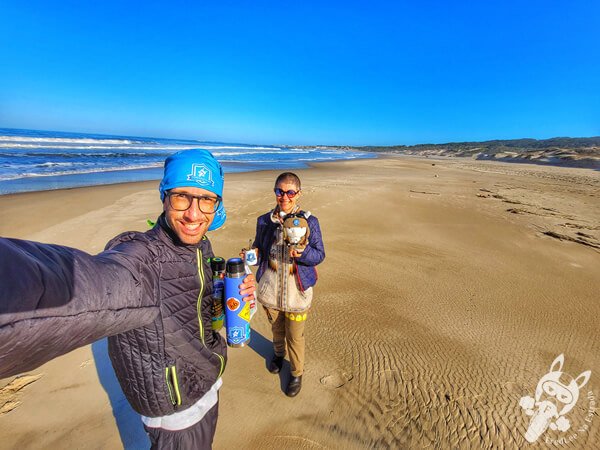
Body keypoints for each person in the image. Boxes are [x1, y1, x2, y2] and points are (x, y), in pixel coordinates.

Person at [0, 149, 256, 449]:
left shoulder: (199, 246)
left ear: (216, 204)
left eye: (206, 199)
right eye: (181, 196)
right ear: (164, 196)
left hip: (206, 385)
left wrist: (226, 298)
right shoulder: (141, 259)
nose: (193, 213)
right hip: (179, 413)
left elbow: (191, 311)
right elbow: (85, 287)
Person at [250, 172, 325, 397]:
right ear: (275, 192)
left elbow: (319, 254)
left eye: (290, 192)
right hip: (271, 290)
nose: (285, 196)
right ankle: (278, 354)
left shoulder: (310, 222)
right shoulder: (264, 221)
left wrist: (303, 253)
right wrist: (252, 253)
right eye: (280, 191)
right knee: (276, 328)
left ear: (298, 193)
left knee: (295, 335)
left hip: (297, 294)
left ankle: (296, 372)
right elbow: (259, 247)